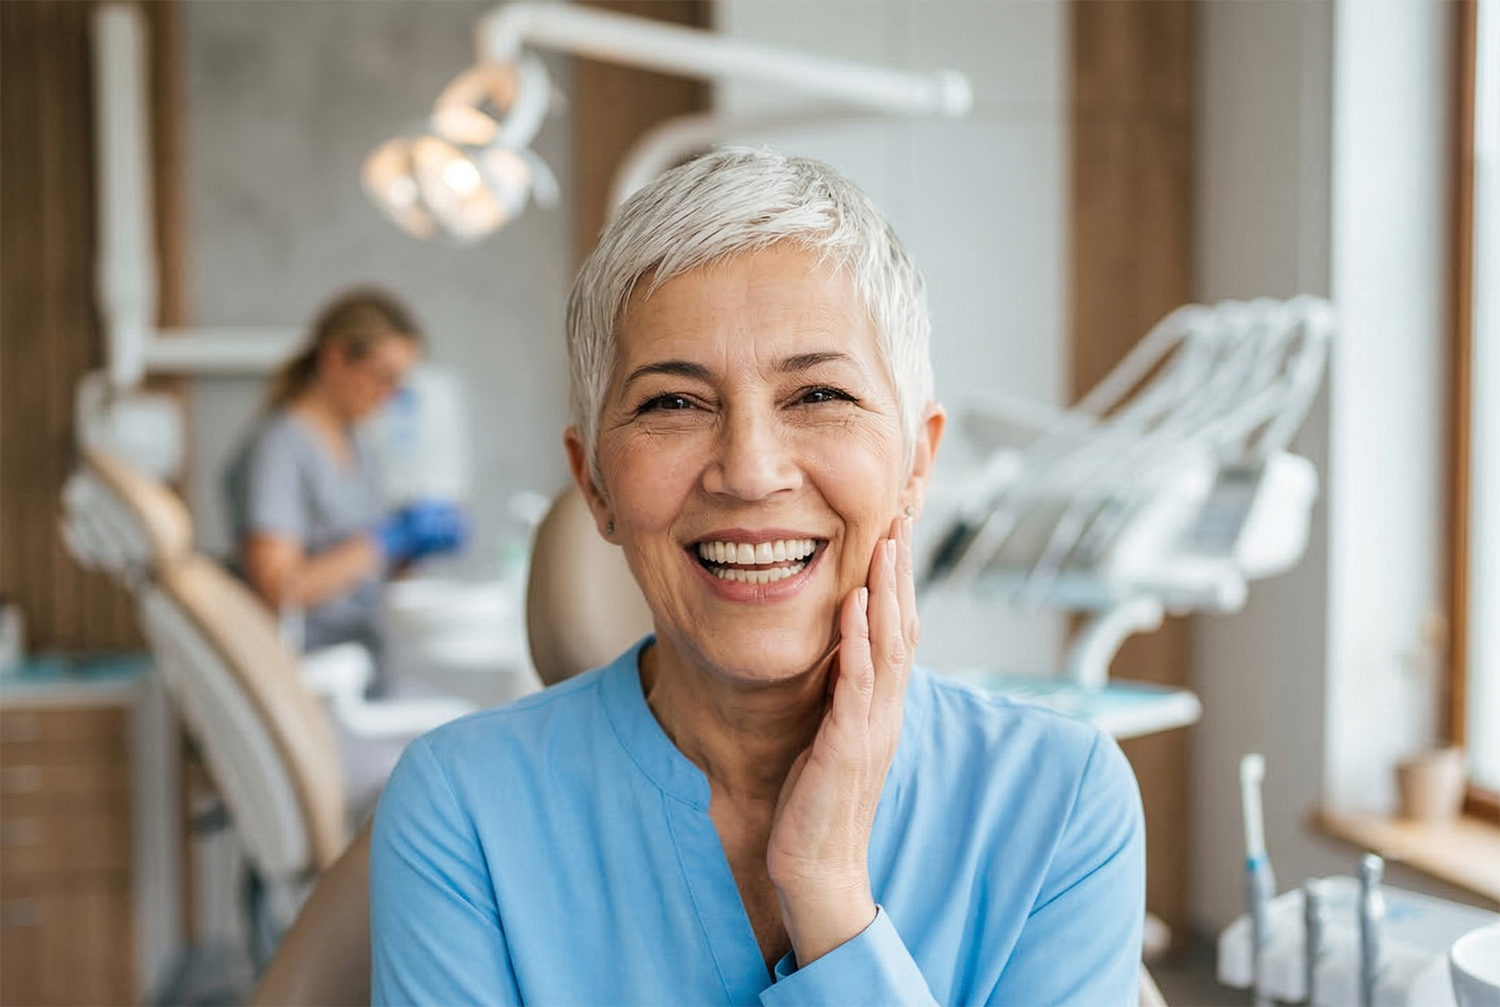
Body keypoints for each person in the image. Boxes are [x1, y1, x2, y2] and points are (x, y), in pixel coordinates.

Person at [370, 150, 1145, 1006]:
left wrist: (828, 889)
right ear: (594, 482)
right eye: (672, 402)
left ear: (917, 464)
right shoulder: (462, 806)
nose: (749, 470)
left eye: (818, 395)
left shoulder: (1061, 800)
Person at [225, 289, 467, 677]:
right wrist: (383, 540)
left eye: (400, 383)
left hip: (363, 656)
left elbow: (354, 568)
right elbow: (279, 587)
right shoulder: (277, 449)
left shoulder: (356, 443)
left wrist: (409, 549)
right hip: (311, 671)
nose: (392, 396)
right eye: (384, 378)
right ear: (336, 358)